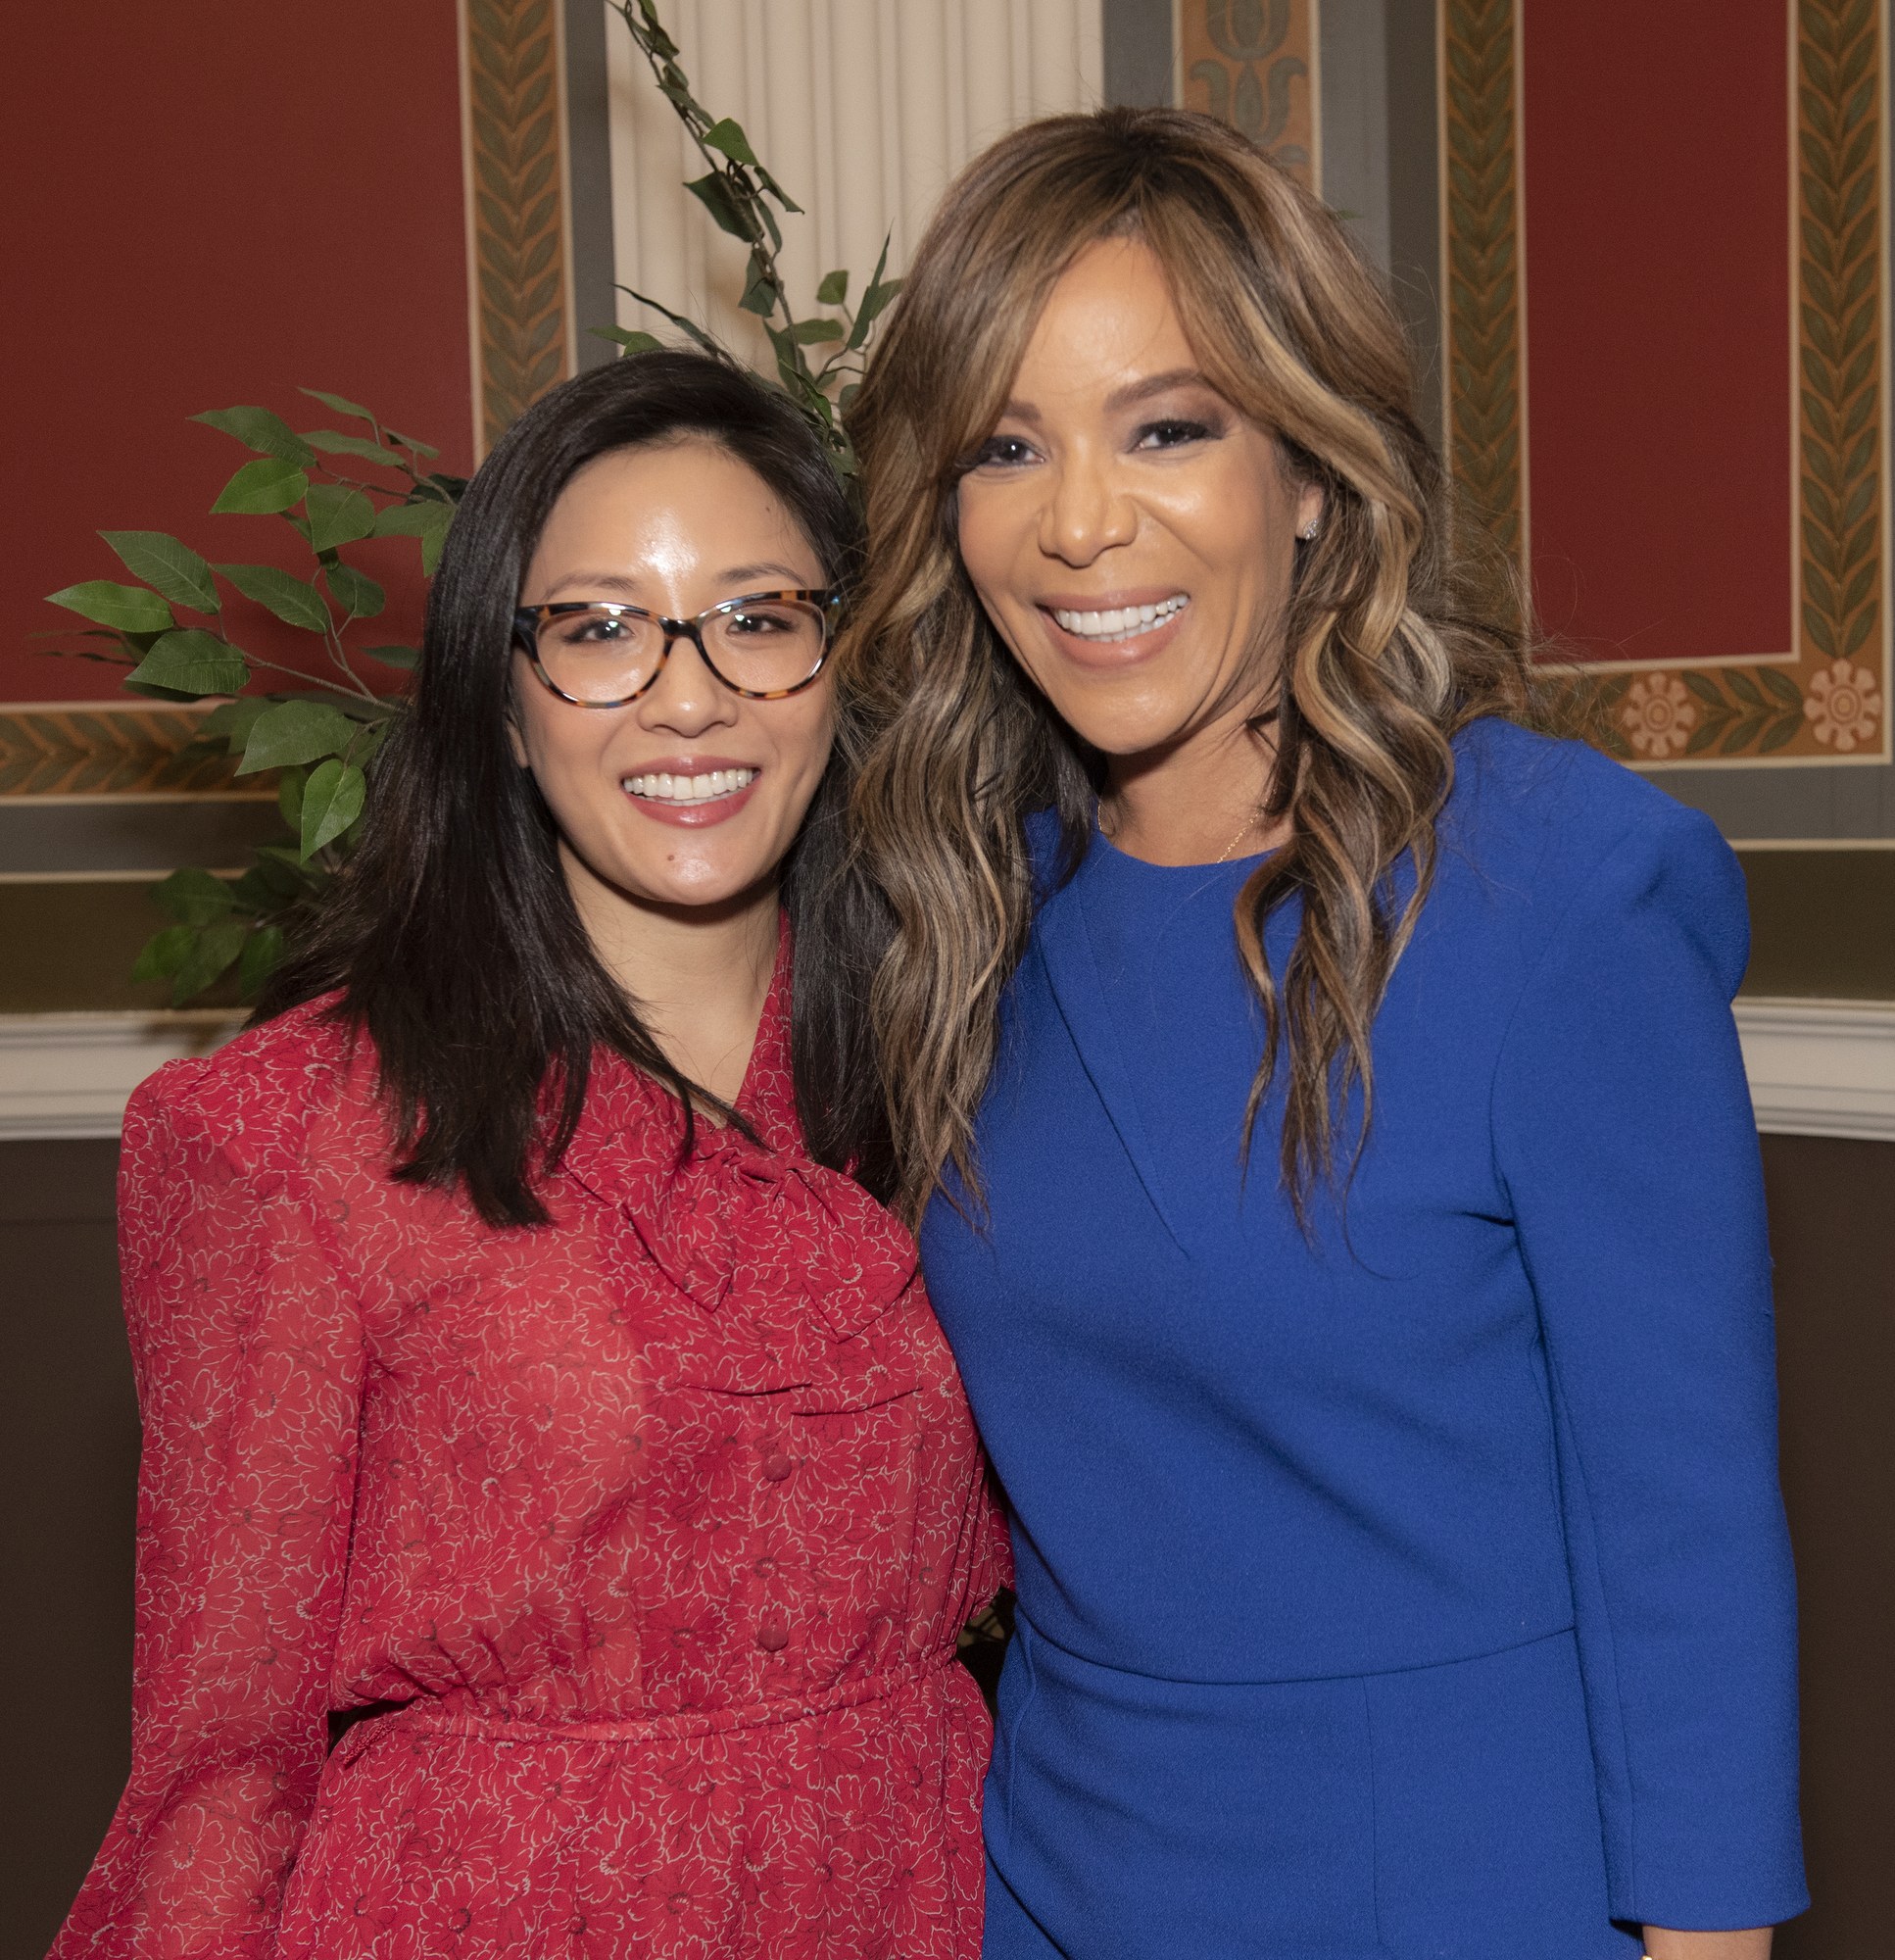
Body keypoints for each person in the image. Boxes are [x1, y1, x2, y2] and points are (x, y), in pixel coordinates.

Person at [839, 109, 1805, 1959]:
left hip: (1469, 1882)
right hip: (1055, 1877)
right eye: (1004, 448)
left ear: (1306, 467)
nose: (1077, 523)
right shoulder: (956, 913)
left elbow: (1681, 1532)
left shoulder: (1554, 893)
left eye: (1166, 427)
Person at [52, 350, 1006, 1960]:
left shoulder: (973, 1069)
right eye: (599, 629)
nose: (685, 694)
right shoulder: (292, 1135)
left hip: (919, 1893)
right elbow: (222, 1766)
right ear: (500, 699)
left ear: (841, 668)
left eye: (756, 616)